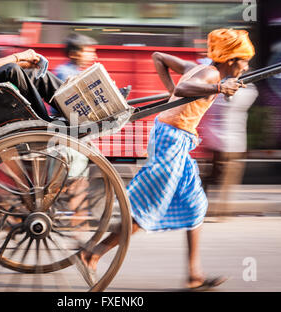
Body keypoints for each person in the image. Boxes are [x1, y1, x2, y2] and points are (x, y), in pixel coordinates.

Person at [78, 28, 255, 290]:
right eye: (244, 60)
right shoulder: (211, 74)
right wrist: (212, 87)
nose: (246, 66)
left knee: (195, 205)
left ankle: (194, 275)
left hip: (177, 140)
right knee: (148, 207)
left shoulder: (195, 67)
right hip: (170, 141)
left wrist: (170, 93)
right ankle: (94, 252)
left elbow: (158, 56)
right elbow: (183, 87)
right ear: (230, 60)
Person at [200, 82, 258, 221]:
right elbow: (251, 92)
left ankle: (201, 207)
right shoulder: (246, 92)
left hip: (216, 141)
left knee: (212, 177)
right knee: (227, 180)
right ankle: (220, 213)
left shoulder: (216, 93)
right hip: (233, 143)